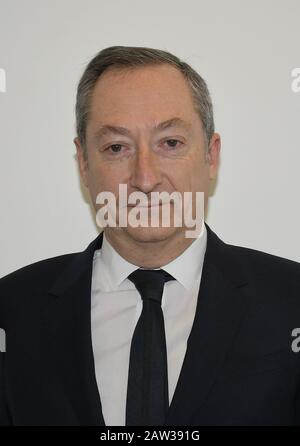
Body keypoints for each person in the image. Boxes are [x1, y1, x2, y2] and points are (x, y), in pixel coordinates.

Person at [0, 45, 300, 427]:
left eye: (170, 143)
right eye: (116, 147)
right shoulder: (10, 311)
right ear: (84, 164)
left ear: (211, 155)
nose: (144, 178)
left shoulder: (292, 302)